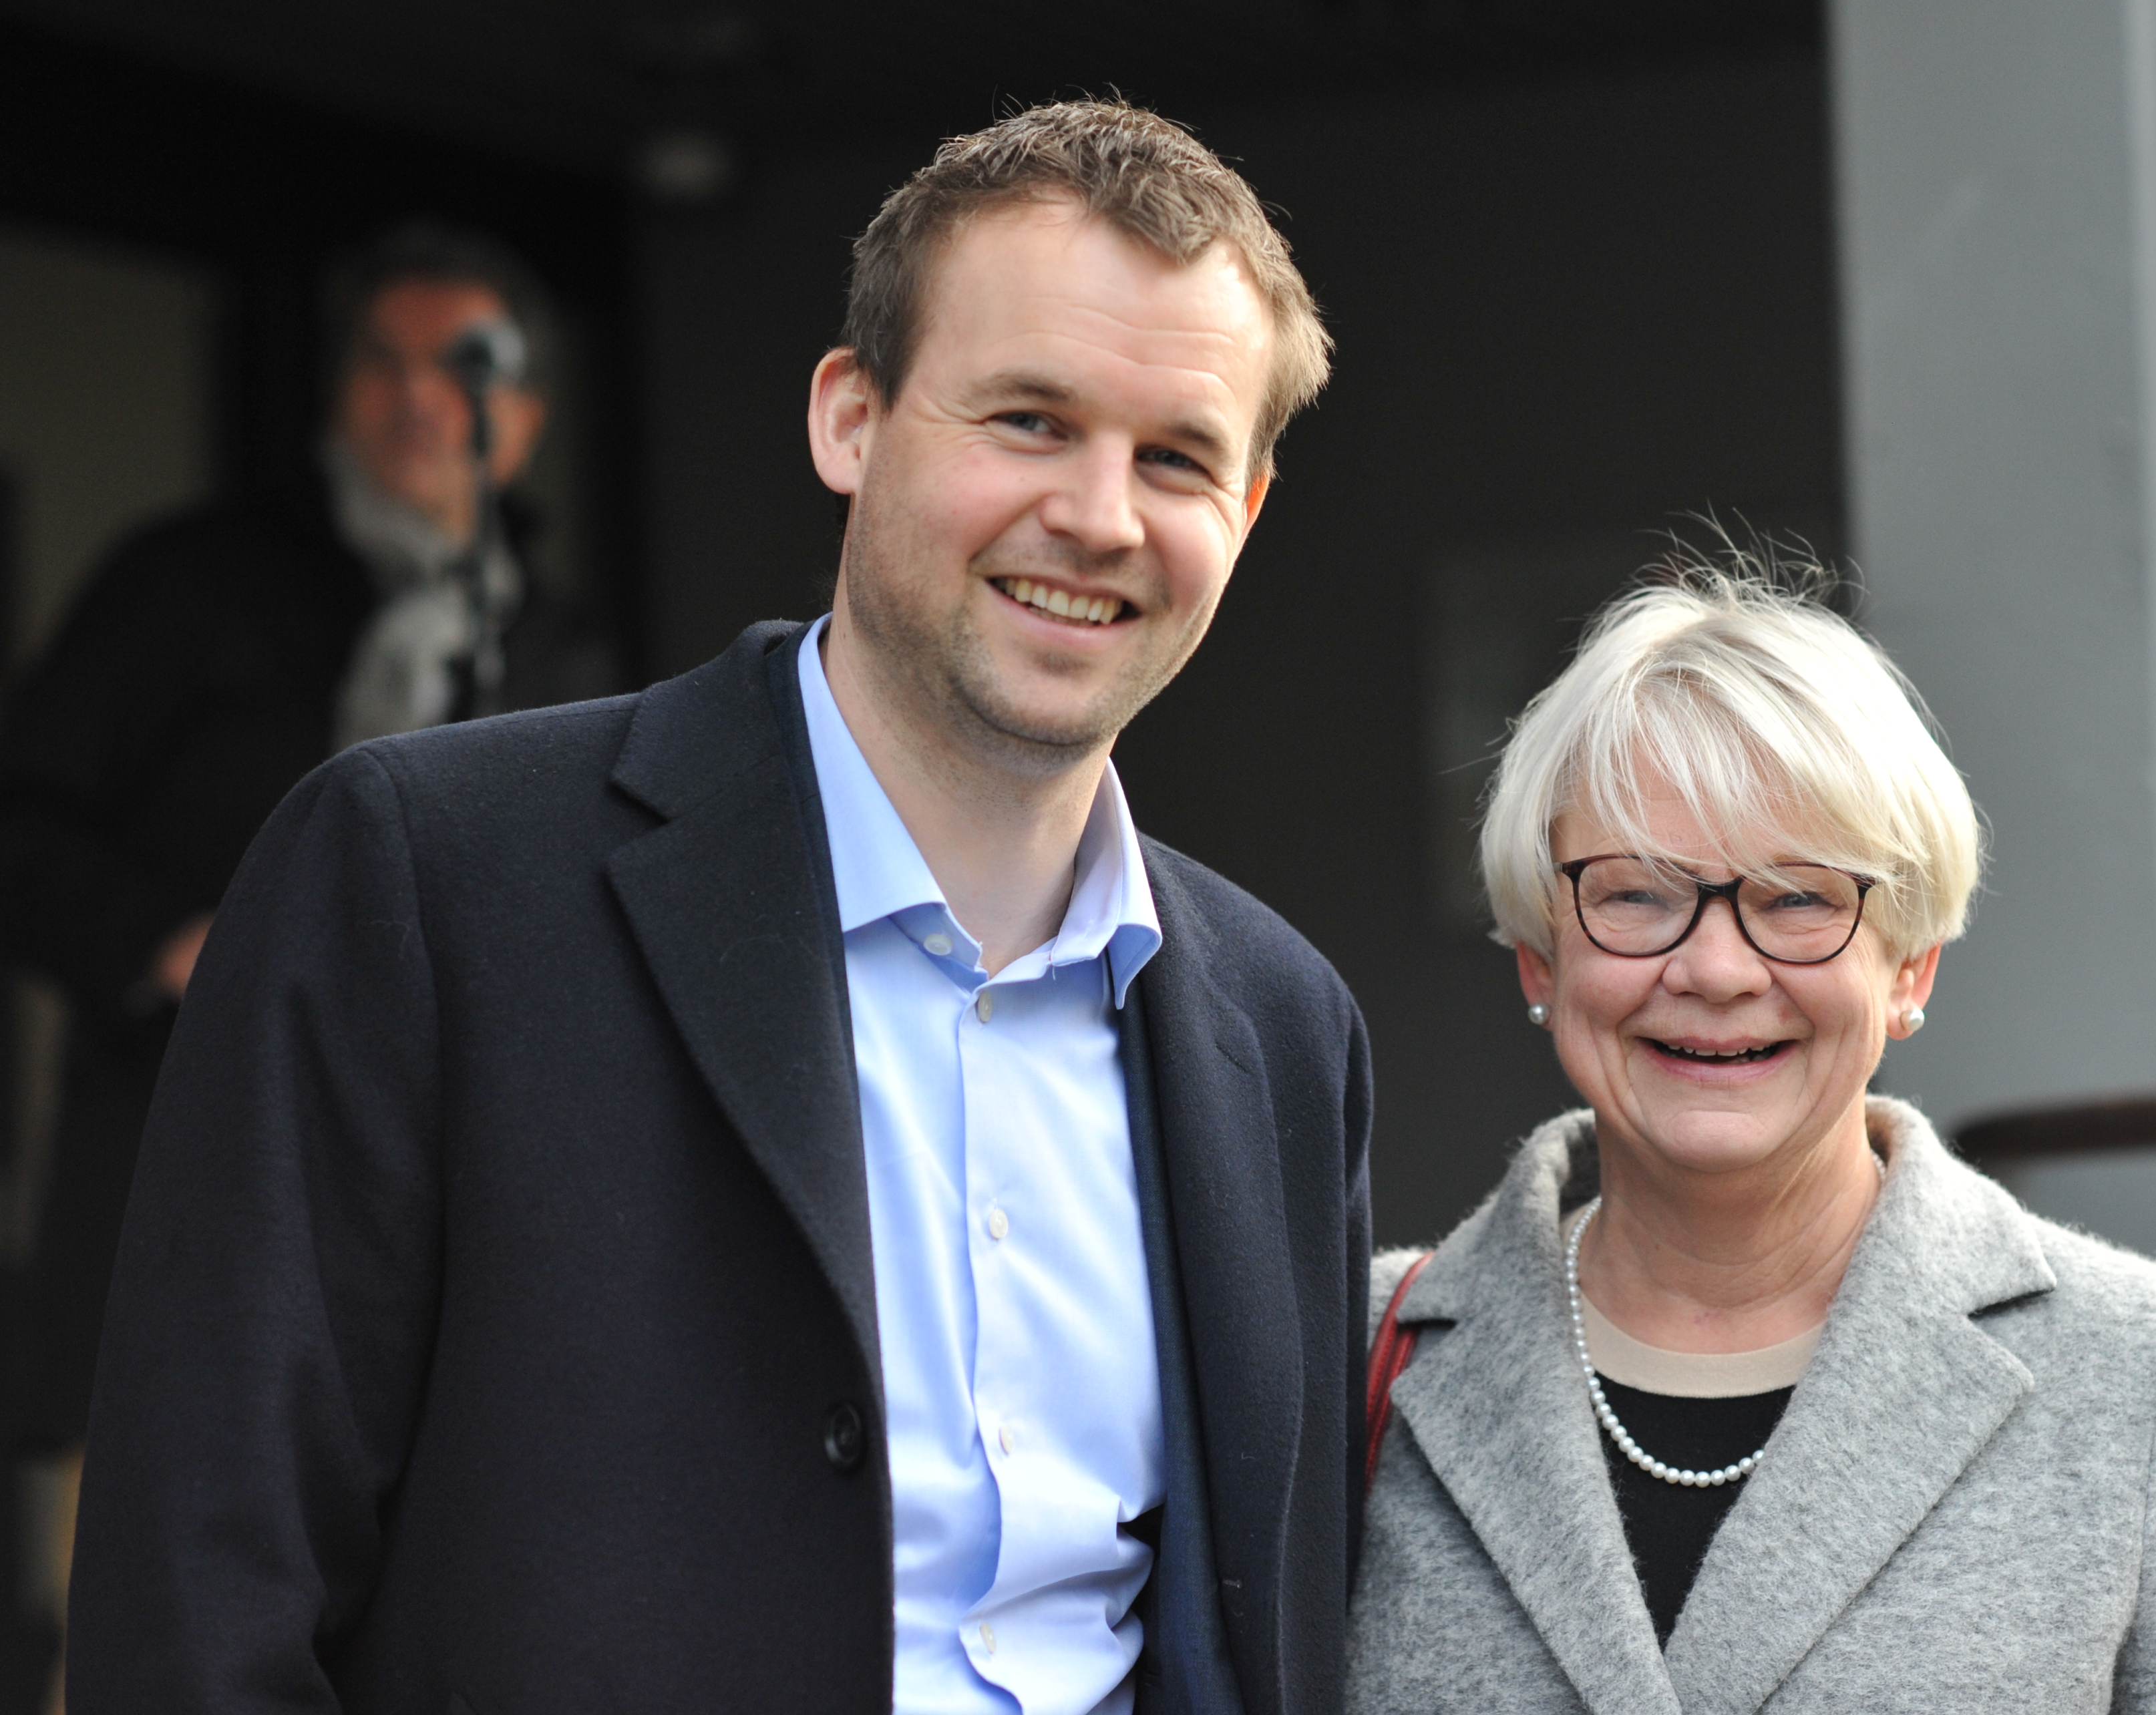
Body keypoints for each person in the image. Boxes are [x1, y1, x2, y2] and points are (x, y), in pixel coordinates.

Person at [66, 102, 1371, 1715]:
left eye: (1174, 456)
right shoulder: (422, 878)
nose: (1101, 515)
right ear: (850, 418)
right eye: (1028, 419)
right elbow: (200, 1600)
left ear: (1242, 513)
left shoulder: (1287, 1030)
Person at [1348, 565, 2156, 1712]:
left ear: (1911, 966)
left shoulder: (2131, 1370)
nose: (1715, 970)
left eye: (1801, 900)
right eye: (1635, 895)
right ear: (1539, 957)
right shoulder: (1354, 1355)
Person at [0, 222, 614, 1461]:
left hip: (438, 1212)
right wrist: (166, 947)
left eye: (463, 364)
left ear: (529, 417)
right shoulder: (192, 580)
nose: (415, 396)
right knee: (147, 1612)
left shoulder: (554, 650)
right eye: (381, 362)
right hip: (192, 1166)